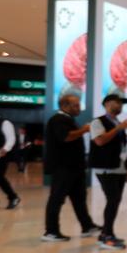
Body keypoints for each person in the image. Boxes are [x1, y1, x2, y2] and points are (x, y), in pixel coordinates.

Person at [42, 94, 100, 242]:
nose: (79, 108)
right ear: (65, 106)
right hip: (63, 167)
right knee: (57, 198)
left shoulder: (68, 119)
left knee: (79, 198)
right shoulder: (58, 119)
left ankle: (87, 226)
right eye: (76, 105)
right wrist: (84, 130)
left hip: (74, 167)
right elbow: (66, 137)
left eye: (79, 104)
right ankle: (51, 231)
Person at [88, 94, 127, 249]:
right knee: (113, 199)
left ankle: (107, 233)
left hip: (119, 168)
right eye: (117, 102)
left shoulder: (117, 123)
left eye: (121, 103)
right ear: (107, 104)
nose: (120, 105)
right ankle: (106, 236)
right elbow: (99, 141)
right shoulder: (97, 122)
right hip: (105, 168)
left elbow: (123, 148)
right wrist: (118, 128)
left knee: (115, 200)